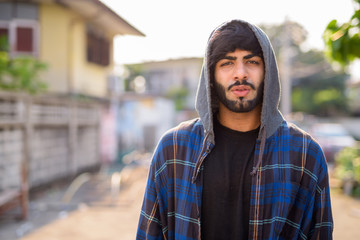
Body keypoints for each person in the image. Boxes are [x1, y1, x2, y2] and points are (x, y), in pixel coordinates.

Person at [136, 19, 333, 240]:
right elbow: (149, 234)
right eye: (227, 63)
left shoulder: (305, 153)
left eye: (252, 61)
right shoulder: (173, 149)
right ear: (211, 75)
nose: (240, 73)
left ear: (267, 70)